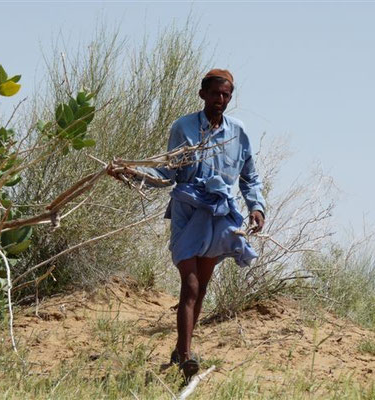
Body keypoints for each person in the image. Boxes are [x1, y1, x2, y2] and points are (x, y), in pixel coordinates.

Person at [107, 69, 265, 380]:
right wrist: (132, 174)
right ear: (202, 94)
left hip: (219, 215)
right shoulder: (183, 128)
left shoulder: (238, 132)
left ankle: (182, 349)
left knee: (201, 288)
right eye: (215, 94)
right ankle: (187, 358)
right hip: (187, 212)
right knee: (189, 284)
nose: (220, 100)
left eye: (226, 95)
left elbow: (249, 176)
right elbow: (168, 173)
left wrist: (256, 207)